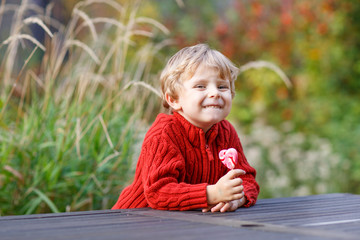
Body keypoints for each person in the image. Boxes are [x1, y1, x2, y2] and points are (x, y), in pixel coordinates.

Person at [112, 43, 259, 212]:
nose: (214, 93)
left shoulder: (226, 132)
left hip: (189, 223)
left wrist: (237, 198)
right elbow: (158, 192)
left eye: (222, 86)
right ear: (174, 100)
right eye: (200, 86)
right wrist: (211, 194)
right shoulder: (164, 133)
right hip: (135, 221)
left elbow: (246, 178)